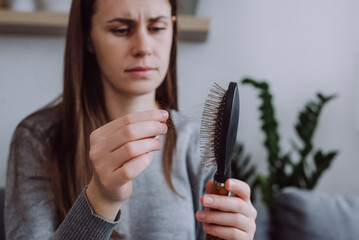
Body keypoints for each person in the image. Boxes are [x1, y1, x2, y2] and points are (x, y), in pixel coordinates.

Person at [5, 0, 257, 239]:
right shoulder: (38, 138)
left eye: (157, 27)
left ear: (172, 27)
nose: (143, 47)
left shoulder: (193, 143)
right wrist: (101, 198)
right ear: (87, 37)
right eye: (121, 29)